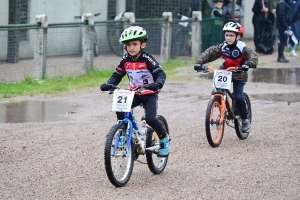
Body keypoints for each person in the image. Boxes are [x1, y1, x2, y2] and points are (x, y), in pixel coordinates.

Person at [100, 26, 170, 156]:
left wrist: (157, 84)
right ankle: (123, 135)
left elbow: (160, 74)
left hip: (149, 94)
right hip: (135, 93)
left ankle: (164, 139)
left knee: (150, 119)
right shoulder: (125, 60)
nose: (131, 47)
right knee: (121, 109)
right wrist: (109, 84)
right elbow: (117, 75)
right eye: (128, 45)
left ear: (143, 44)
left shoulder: (147, 59)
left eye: (134, 44)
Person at [194, 20, 258, 133]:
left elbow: (253, 57)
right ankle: (218, 102)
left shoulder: (242, 48)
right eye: (226, 34)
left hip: (239, 72)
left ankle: (245, 119)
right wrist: (200, 63)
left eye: (231, 35)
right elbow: (210, 52)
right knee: (217, 91)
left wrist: (247, 64)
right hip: (225, 71)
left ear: (238, 36)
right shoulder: (223, 46)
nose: (228, 37)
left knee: (238, 96)